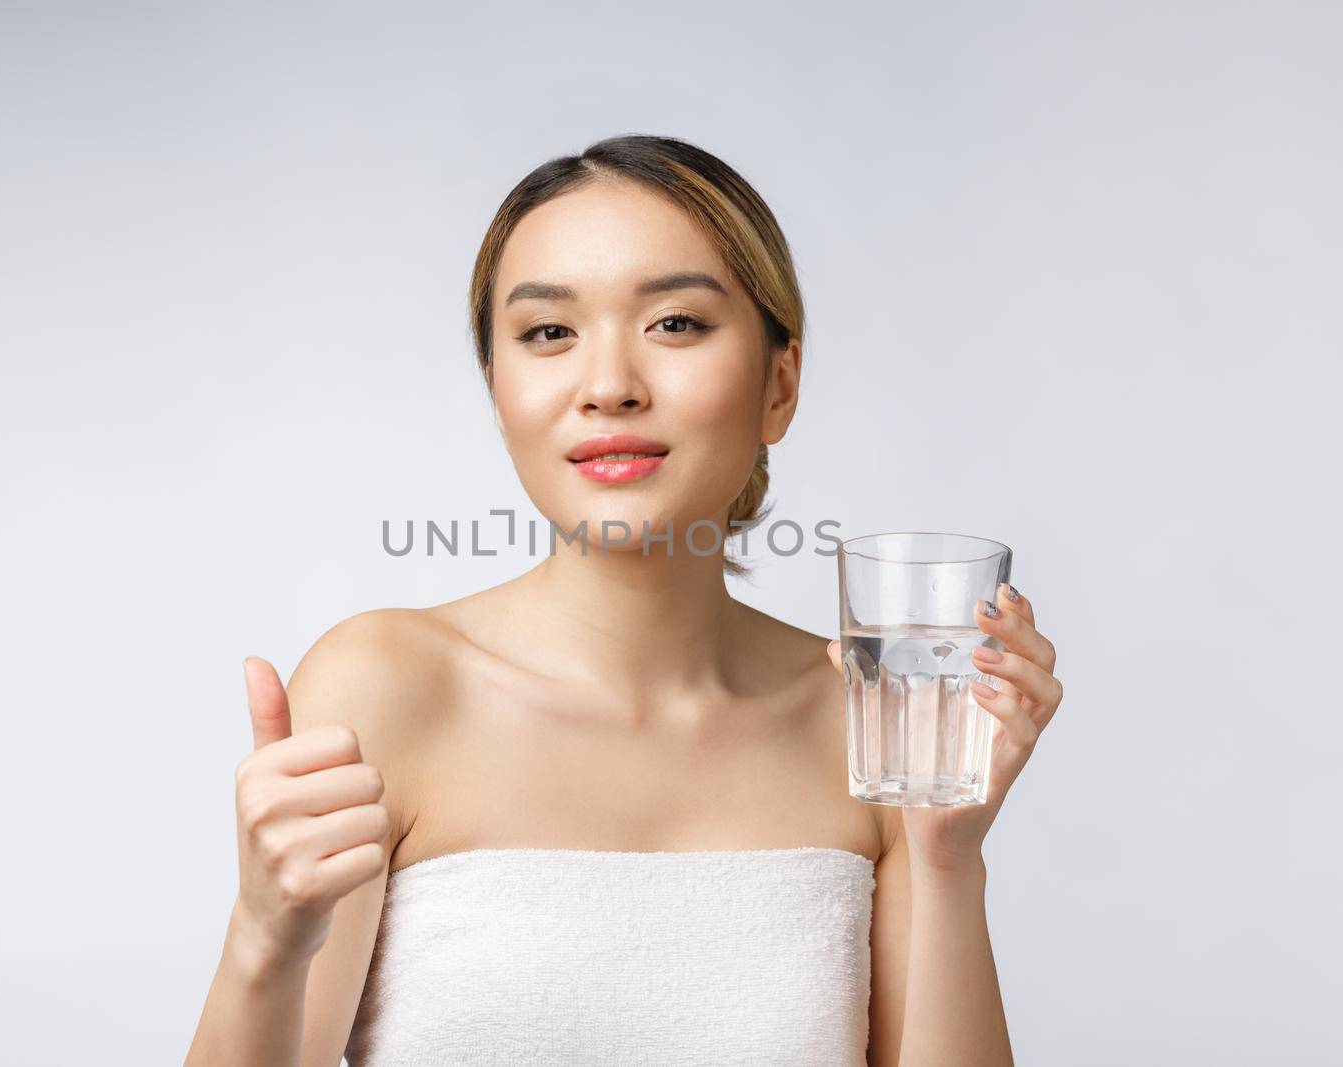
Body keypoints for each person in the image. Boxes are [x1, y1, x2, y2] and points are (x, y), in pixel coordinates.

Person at [185, 134, 1064, 1067]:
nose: (608, 387)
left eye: (675, 323)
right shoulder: (387, 688)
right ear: (498, 388)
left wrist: (945, 859)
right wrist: (265, 938)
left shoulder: (872, 716)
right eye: (548, 333)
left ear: (780, 385)